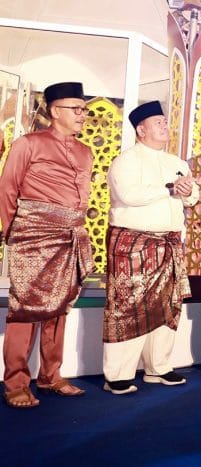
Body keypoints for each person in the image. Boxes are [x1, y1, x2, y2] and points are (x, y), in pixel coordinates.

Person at [0, 82, 93, 408]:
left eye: (84, 109)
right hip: (33, 237)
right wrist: (13, 234)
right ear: (55, 111)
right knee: (26, 310)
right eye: (76, 109)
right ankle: (15, 383)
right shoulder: (28, 144)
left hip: (70, 237)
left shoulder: (85, 151)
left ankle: (51, 376)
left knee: (59, 308)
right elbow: (7, 189)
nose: (82, 115)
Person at [102, 101, 199, 395]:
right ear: (141, 130)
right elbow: (128, 195)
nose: (164, 126)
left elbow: (192, 198)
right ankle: (117, 374)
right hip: (134, 243)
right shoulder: (125, 161)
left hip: (169, 242)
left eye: (165, 122)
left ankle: (159, 367)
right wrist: (169, 188)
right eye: (158, 122)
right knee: (128, 307)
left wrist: (187, 191)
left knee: (168, 304)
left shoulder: (176, 162)